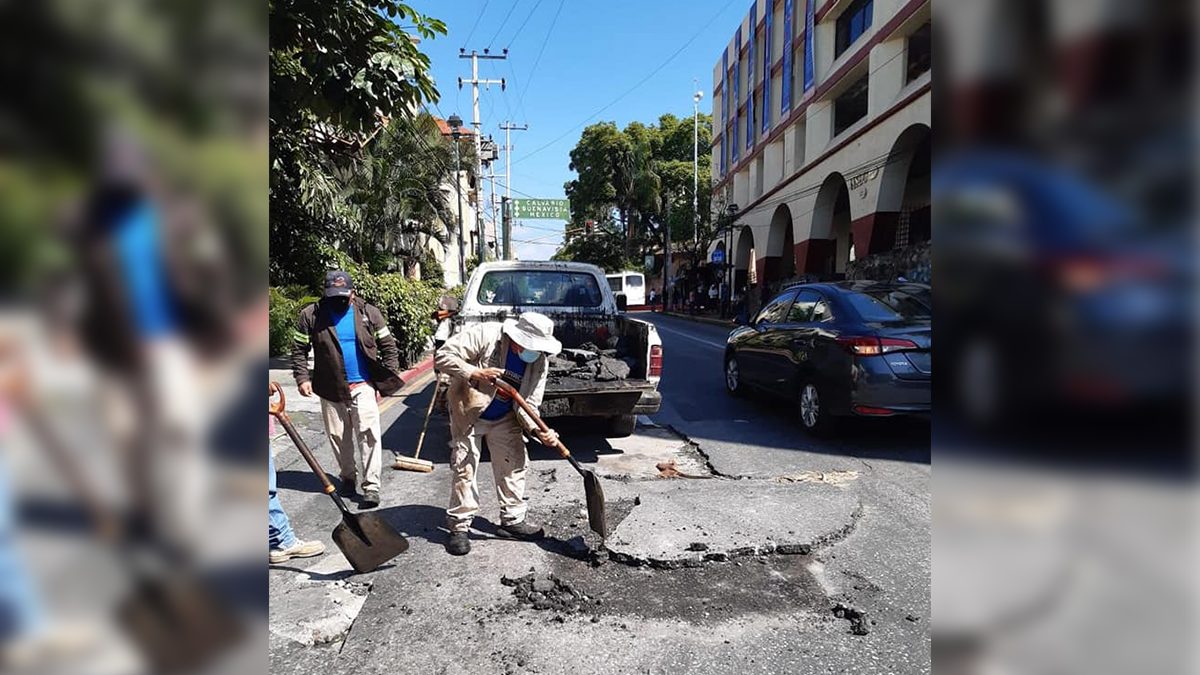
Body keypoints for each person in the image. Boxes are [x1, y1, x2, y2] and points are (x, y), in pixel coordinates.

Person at [434, 312, 562, 556]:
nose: (535, 352)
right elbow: (443, 356)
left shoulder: (538, 362)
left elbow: (529, 404)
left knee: (513, 463)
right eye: (531, 346)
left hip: (505, 416)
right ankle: (459, 527)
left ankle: (512, 520)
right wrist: (473, 372)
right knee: (465, 467)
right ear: (517, 338)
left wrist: (538, 431)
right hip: (469, 412)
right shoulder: (487, 335)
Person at [291, 270, 402, 509]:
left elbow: (388, 346)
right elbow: (298, 349)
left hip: (363, 385)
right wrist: (302, 378)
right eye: (333, 296)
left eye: (343, 296)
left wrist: (386, 377)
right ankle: (348, 477)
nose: (338, 301)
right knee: (338, 438)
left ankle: (371, 486)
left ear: (353, 293)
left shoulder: (369, 313)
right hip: (330, 388)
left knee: (369, 435)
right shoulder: (311, 315)